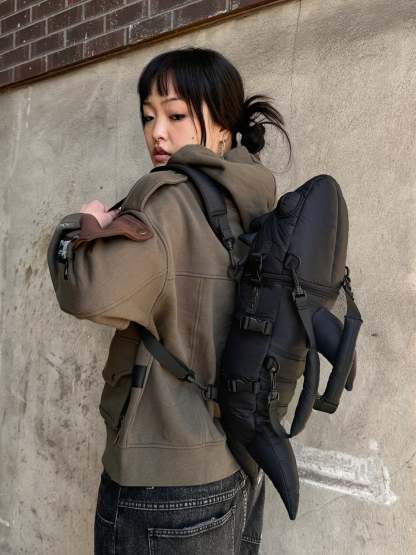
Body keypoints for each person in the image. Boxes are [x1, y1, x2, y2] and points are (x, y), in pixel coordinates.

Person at [47, 47, 291, 554]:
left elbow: (86, 292)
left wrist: (80, 225)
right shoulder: (257, 201)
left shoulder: (167, 199)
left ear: (222, 126)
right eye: (148, 117)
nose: (157, 132)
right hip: (239, 466)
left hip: (164, 485)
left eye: (176, 115)